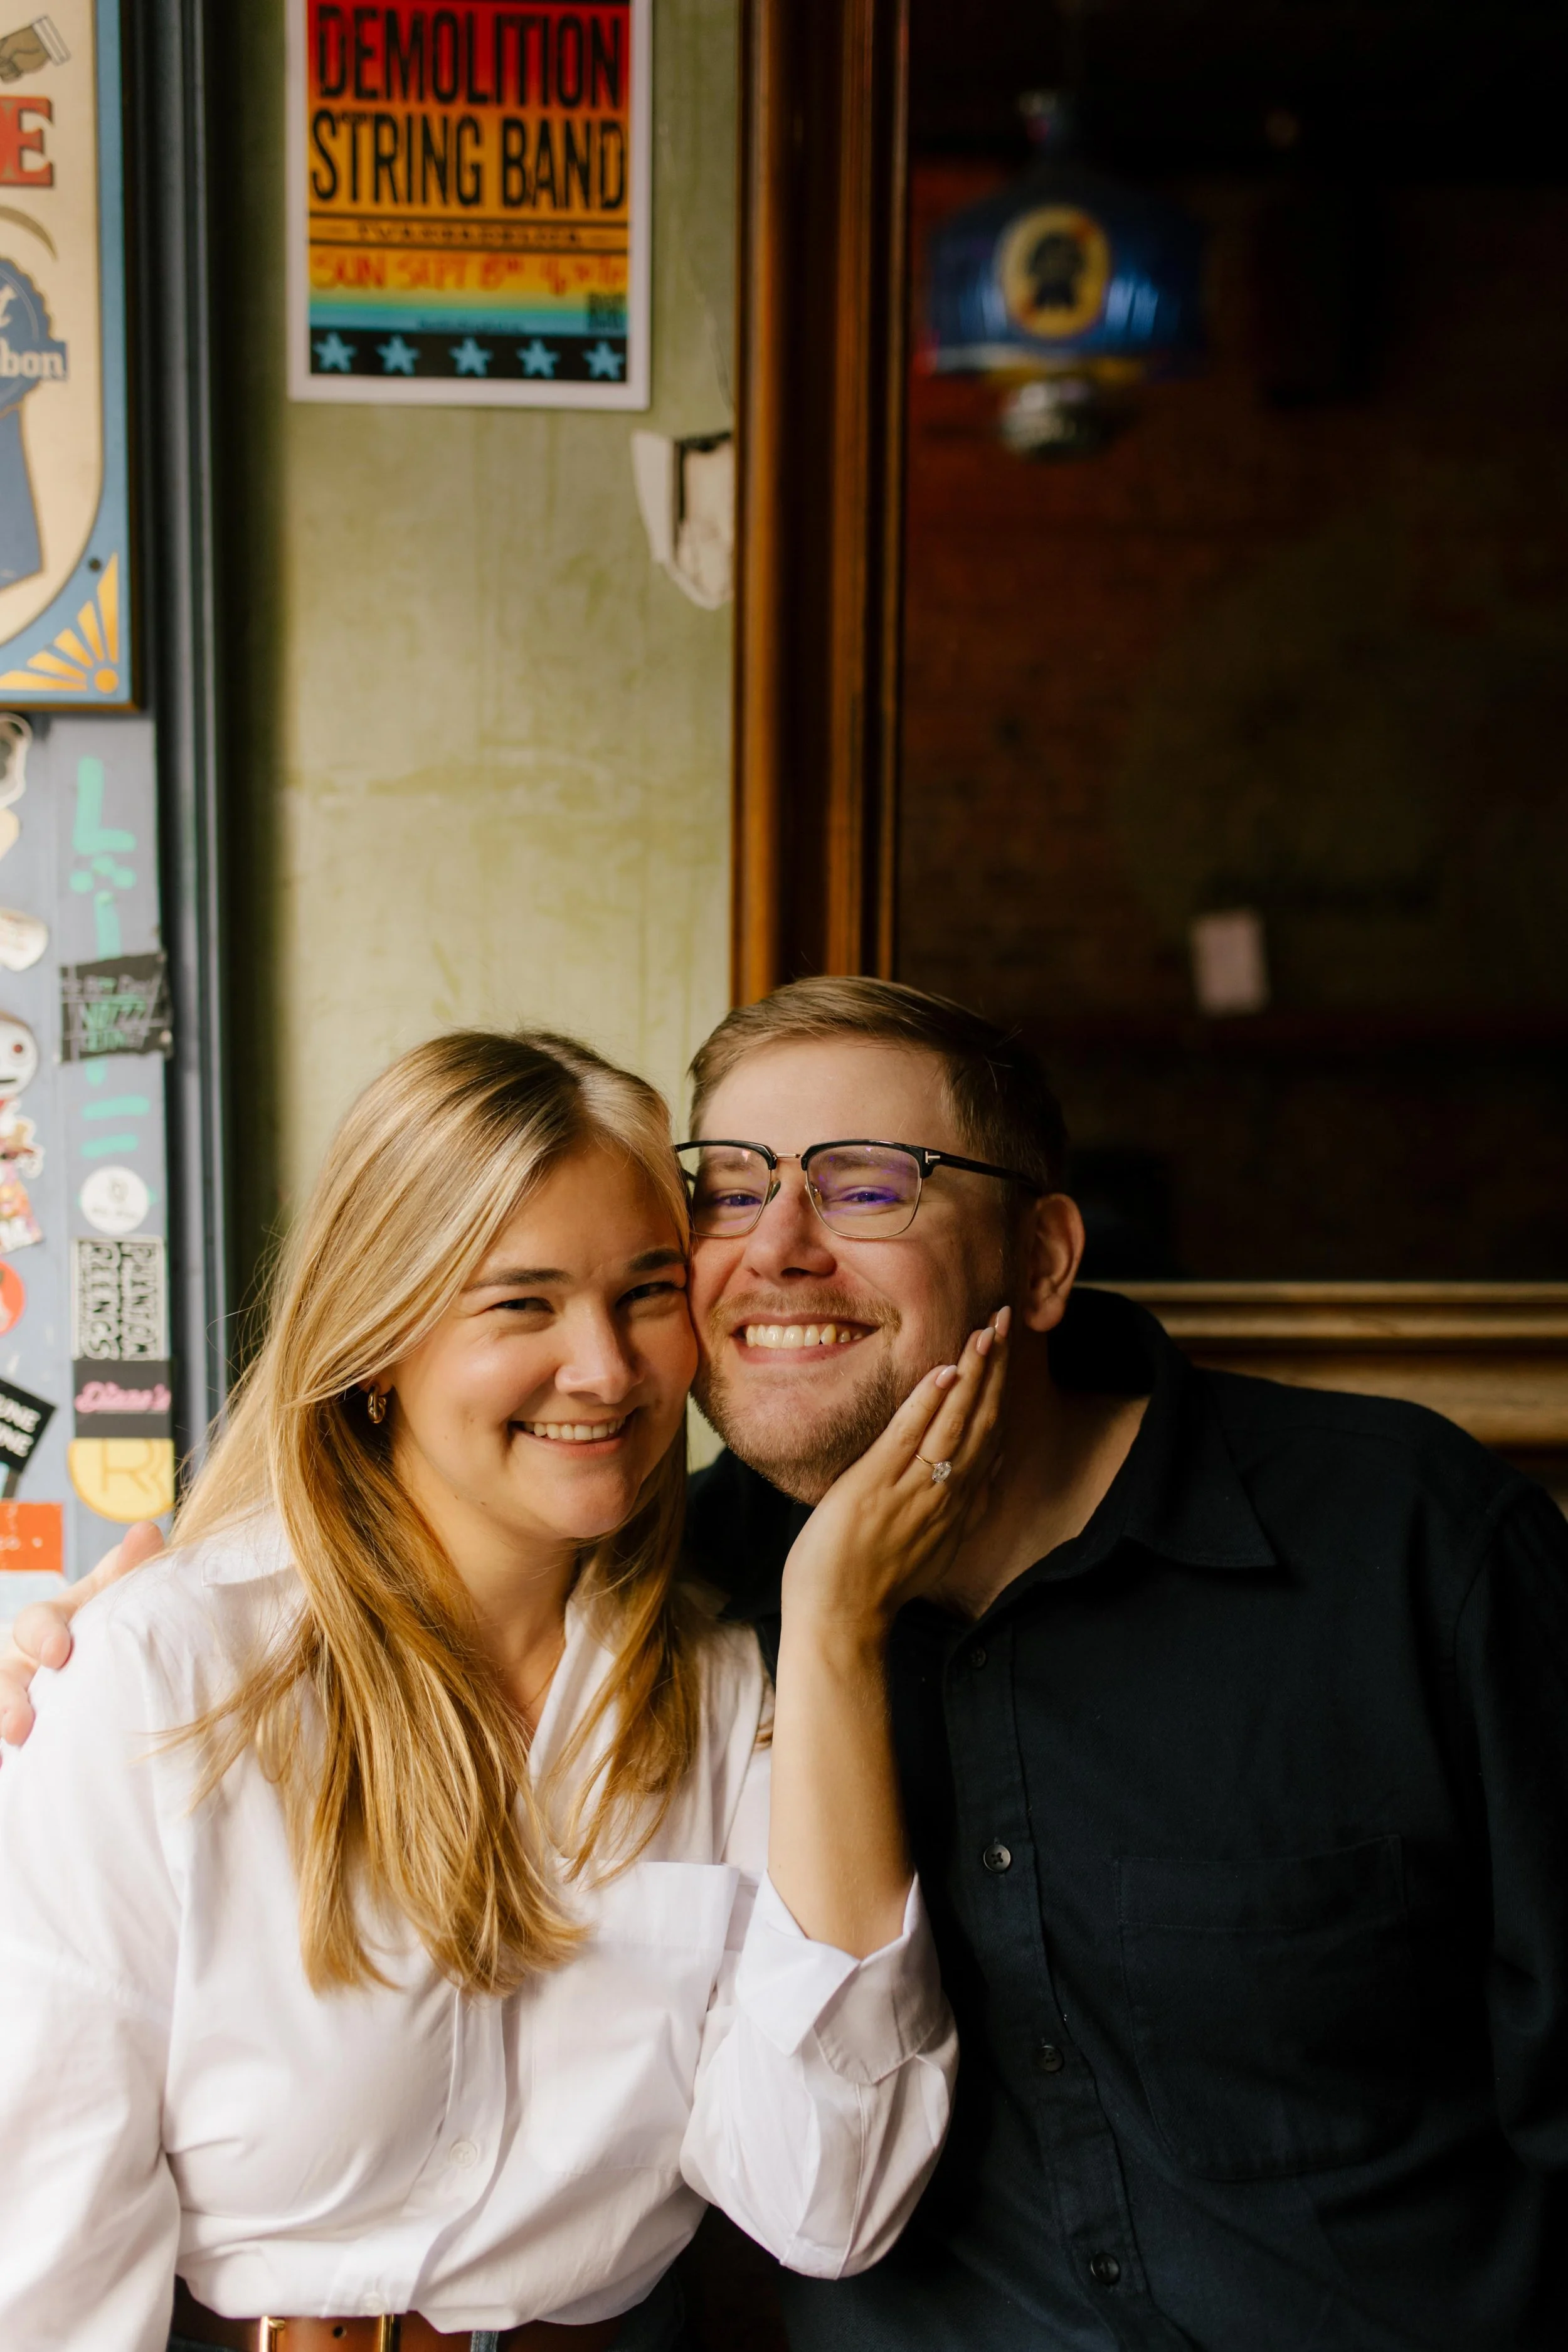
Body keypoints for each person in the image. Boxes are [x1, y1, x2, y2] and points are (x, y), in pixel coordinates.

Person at [10, 977, 1568, 2350]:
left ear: (1038, 1259)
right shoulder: (646, 1606)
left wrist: (818, 1633)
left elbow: (819, 2194)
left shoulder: (1403, 1551)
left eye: (870, 1185)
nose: (775, 1251)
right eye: (731, 1188)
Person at [0, 1026, 997, 2352]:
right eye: (520, 1305)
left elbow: (830, 2202)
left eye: (647, 1293)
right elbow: (51, 2248)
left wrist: (827, 1634)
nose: (605, 1368)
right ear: (376, 1346)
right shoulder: (162, 1674)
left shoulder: (727, 1688)